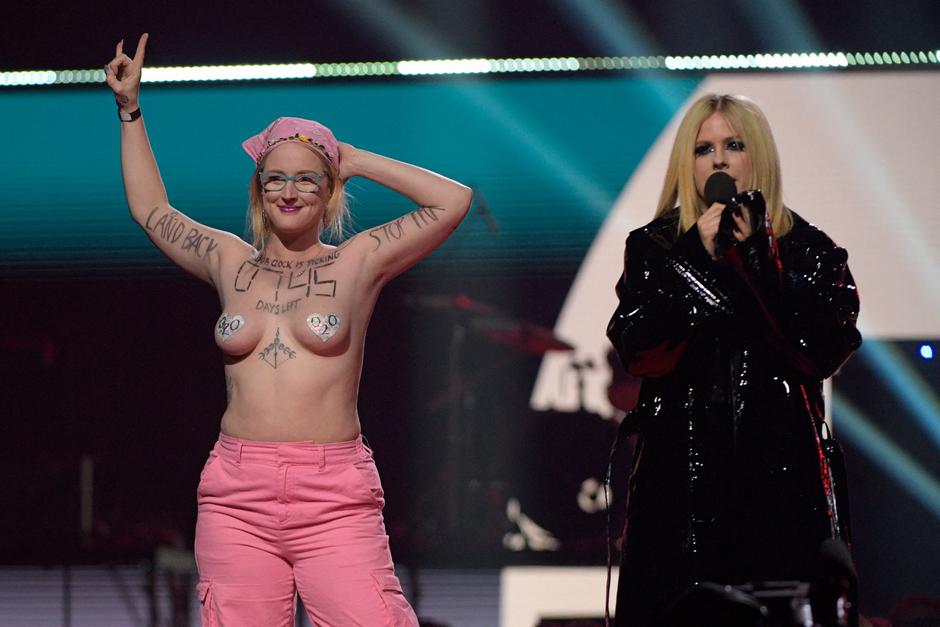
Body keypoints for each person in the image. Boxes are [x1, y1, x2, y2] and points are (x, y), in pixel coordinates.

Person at [106, 34, 472, 626]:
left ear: (329, 191)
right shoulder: (228, 258)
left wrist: (355, 159)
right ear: (259, 189)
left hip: (334, 495)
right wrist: (130, 110)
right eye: (275, 179)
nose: (290, 191)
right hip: (236, 494)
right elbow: (152, 211)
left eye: (307, 179)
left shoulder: (357, 260)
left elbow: (452, 202)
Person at [606, 93, 862, 627]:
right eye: (704, 149)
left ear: (757, 155)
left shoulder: (809, 252)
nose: (719, 160)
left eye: (734, 145)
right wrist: (695, 259)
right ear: (688, 163)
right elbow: (641, 351)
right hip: (679, 492)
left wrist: (760, 263)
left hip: (781, 486)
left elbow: (820, 351)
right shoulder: (656, 249)